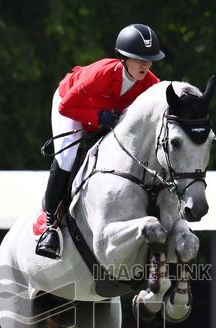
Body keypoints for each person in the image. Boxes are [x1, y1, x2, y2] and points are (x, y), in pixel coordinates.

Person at [35, 24, 165, 259]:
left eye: (149, 60)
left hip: (105, 116)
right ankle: (49, 225)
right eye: (139, 59)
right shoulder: (101, 74)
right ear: (123, 58)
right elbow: (67, 107)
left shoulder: (151, 84)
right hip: (70, 104)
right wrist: (97, 118)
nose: (145, 65)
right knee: (67, 157)